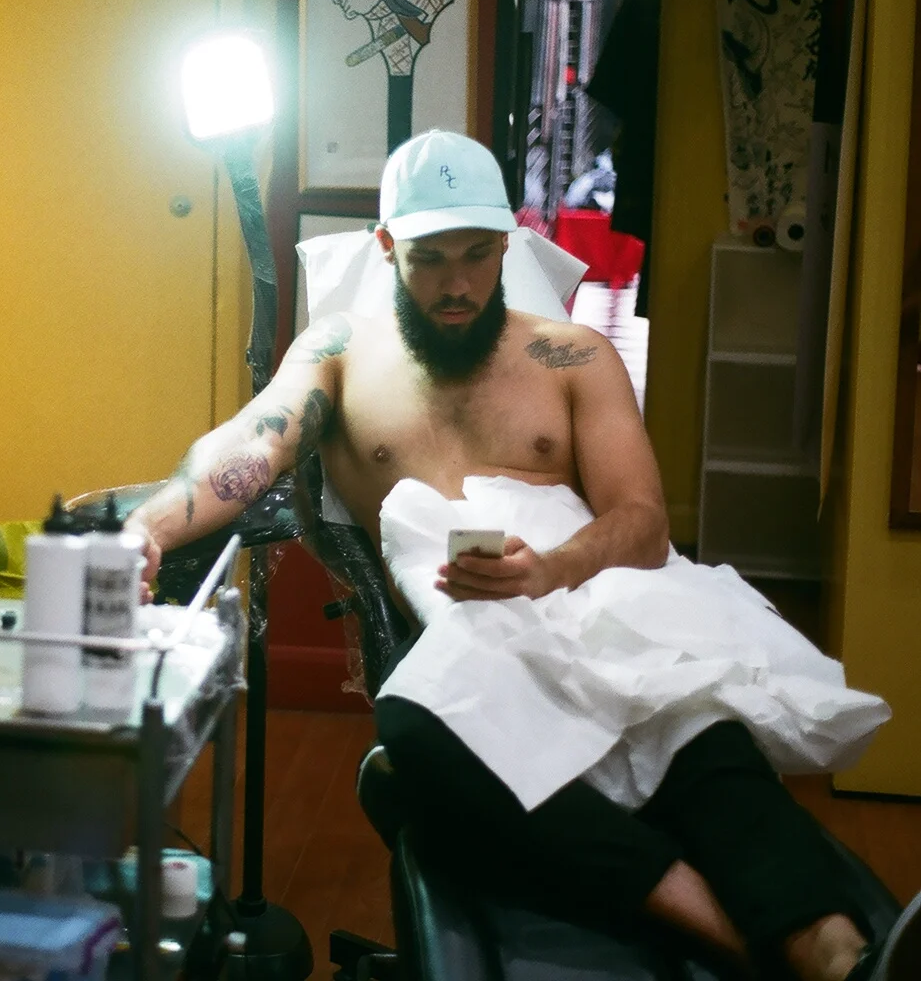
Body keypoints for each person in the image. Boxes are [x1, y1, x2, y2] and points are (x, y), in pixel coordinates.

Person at [123, 130, 919, 980]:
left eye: (478, 255)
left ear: (507, 244)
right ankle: (733, 939)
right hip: (466, 636)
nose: (458, 284)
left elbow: (643, 522)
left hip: (600, 602)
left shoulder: (570, 356)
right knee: (418, 740)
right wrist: (151, 530)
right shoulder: (340, 354)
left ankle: (842, 958)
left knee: (701, 743)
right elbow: (251, 446)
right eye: (430, 259)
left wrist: (548, 570)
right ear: (386, 246)